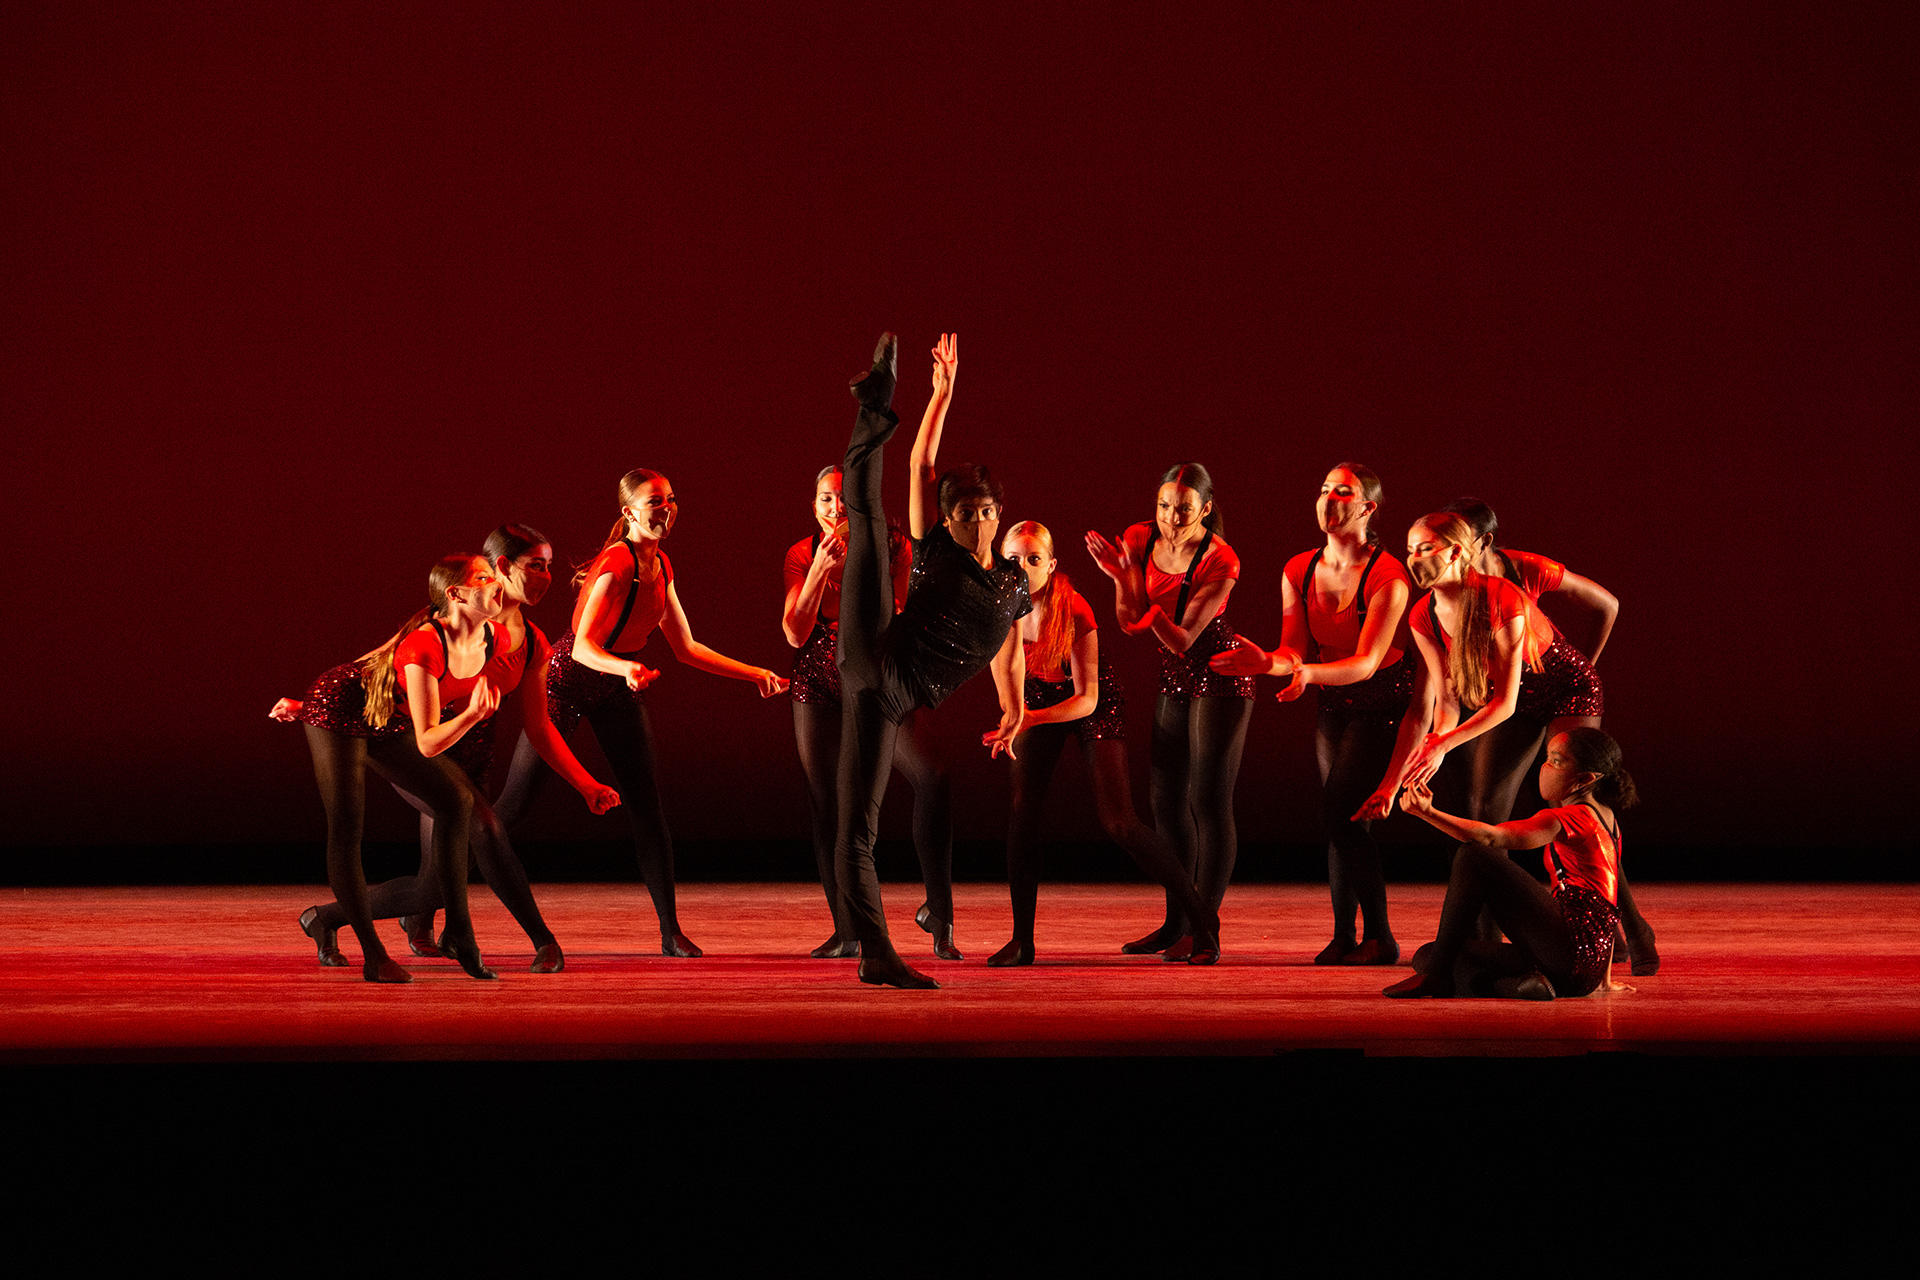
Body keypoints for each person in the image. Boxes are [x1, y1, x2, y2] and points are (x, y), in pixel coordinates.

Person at [274, 524, 622, 972]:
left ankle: (331, 917)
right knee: (485, 828)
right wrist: (311, 708)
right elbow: (379, 671)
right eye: (536, 565)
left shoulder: (527, 640)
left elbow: (538, 726)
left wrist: (586, 784)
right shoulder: (444, 623)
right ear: (500, 569)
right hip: (419, 738)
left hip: (467, 746)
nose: (548, 576)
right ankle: (543, 940)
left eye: (549, 566)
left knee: (437, 882)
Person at [834, 332, 1058, 989]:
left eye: (988, 510)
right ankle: (875, 406)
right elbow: (922, 469)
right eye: (966, 512)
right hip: (877, 659)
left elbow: (1007, 652)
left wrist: (1015, 707)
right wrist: (940, 395)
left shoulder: (1017, 586)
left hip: (889, 690)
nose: (981, 520)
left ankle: (878, 954)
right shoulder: (937, 551)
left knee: (858, 830)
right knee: (867, 520)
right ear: (950, 520)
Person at [545, 468, 789, 956]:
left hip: (617, 685)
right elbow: (580, 649)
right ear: (629, 512)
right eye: (654, 501)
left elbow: (687, 647)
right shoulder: (619, 563)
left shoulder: (661, 564)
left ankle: (669, 931)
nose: (666, 508)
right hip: (570, 682)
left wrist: (754, 673)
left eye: (671, 499)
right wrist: (625, 670)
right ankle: (427, 911)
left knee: (648, 809)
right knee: (513, 804)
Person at [989, 521, 1222, 966]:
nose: (1022, 568)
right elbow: (1006, 672)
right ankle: (1022, 939)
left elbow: (1087, 697)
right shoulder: (999, 608)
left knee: (1119, 822)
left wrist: (1029, 717)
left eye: (1033, 560)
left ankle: (1203, 921)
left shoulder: (1073, 608)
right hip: (1033, 700)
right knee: (1022, 816)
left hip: (1089, 704)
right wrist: (1013, 715)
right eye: (1013, 560)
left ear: (1051, 565)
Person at [1439, 498, 1655, 974]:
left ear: (1483, 542)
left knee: (1579, 814)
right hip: (1511, 697)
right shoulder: (1450, 588)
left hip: (1565, 689)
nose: (1446, 553)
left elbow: (1607, 603)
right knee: (1484, 807)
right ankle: (1486, 935)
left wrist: (1588, 662)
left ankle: (1632, 929)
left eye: (1457, 543)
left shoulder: (1524, 570)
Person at [1212, 464, 1412, 965]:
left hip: (1383, 700)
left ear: (1367, 508)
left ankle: (1381, 938)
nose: (1328, 499)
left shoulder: (1388, 574)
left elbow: (1366, 663)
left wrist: (1306, 675)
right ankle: (1346, 934)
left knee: (1341, 814)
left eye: (1342, 492)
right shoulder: (1299, 567)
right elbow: (1293, 650)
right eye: (1323, 489)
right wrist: (1270, 664)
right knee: (1340, 819)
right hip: (1334, 700)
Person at [284, 554, 506, 983]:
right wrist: (473, 717)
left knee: (456, 799)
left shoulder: (493, 635)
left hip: (386, 715)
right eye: (485, 577)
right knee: (348, 826)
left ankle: (459, 930)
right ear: (456, 594)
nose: (496, 583)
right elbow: (428, 742)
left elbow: (380, 657)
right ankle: (374, 954)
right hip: (342, 707)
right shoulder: (426, 642)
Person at [784, 465, 958, 960]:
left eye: (841, 498)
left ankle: (940, 912)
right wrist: (819, 569)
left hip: (876, 672)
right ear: (813, 505)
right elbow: (795, 634)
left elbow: (897, 613)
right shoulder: (801, 554)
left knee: (933, 774)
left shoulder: (894, 545)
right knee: (828, 806)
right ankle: (848, 929)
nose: (833, 508)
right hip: (818, 674)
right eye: (823, 499)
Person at [1086, 463, 1252, 960]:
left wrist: (1147, 610)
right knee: (1165, 804)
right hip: (1176, 676)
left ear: (1205, 509)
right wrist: (1121, 577)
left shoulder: (1221, 559)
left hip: (1220, 672)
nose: (1169, 518)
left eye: (1182, 509)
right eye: (1162, 506)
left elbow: (1180, 639)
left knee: (1207, 803)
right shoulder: (1139, 538)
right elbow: (1126, 619)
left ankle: (1206, 928)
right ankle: (1175, 921)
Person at [1383, 727, 1638, 1000]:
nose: (1544, 767)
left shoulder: (1571, 817)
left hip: (1569, 954)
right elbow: (1607, 906)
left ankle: (1437, 977)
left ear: (1585, 779)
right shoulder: (1607, 818)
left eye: (1556, 761)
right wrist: (1603, 982)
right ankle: (1515, 986)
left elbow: (1492, 838)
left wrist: (1428, 813)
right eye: (1547, 757)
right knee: (1429, 955)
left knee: (1475, 856)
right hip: (1581, 969)